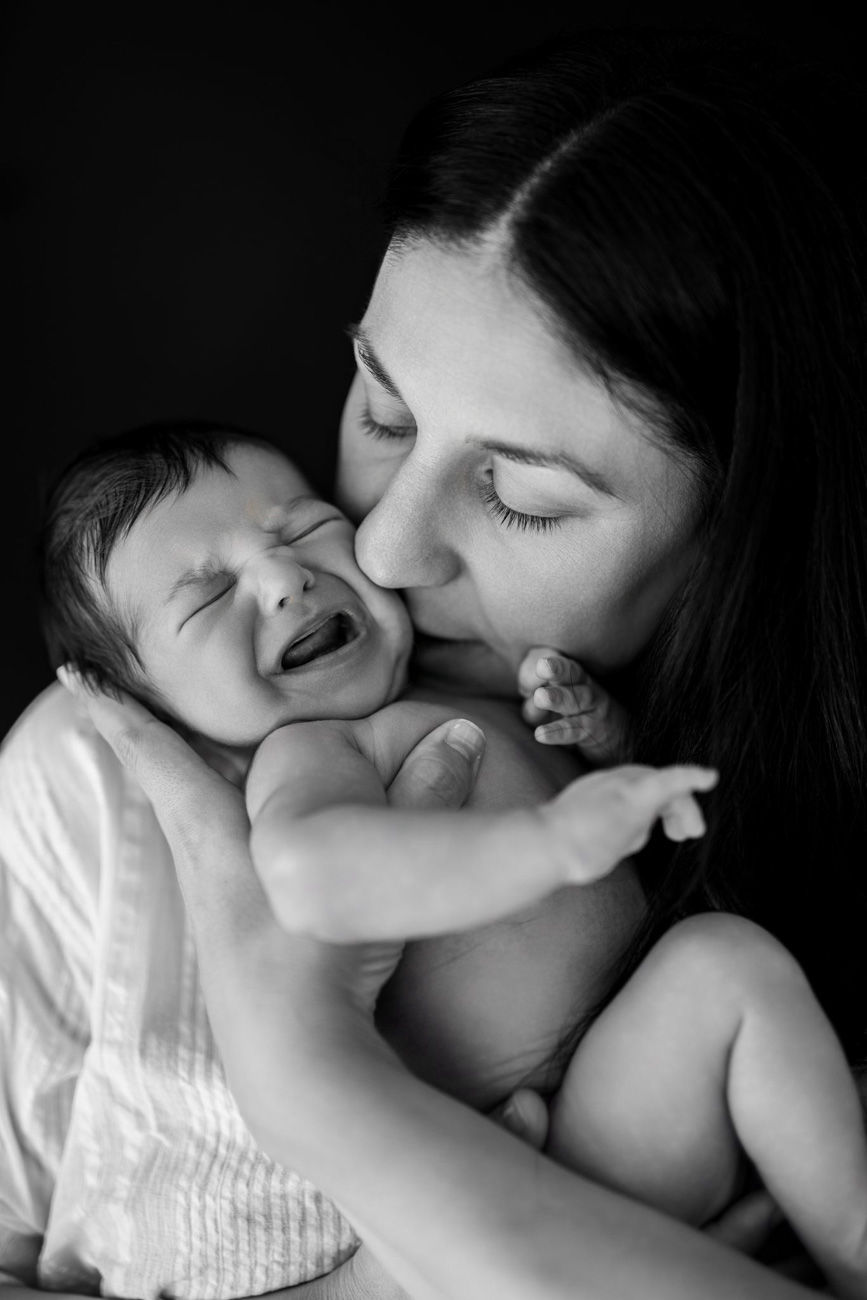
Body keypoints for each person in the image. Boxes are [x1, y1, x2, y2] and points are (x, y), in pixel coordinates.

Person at [5, 19, 867, 1299]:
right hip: (458, 1210)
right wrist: (324, 1099)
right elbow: (317, 869)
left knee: (731, 967)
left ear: (746, 534)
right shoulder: (112, 777)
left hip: (615, 1125)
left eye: (520, 495)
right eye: (383, 410)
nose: (383, 547)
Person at [0, 417, 651, 1297]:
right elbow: (322, 870)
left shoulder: (468, 677)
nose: (284, 578)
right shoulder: (301, 763)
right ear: (151, 708)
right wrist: (536, 844)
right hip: (436, 1194)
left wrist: (601, 733)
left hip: (601, 1092)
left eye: (306, 527)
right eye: (206, 598)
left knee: (735, 971)